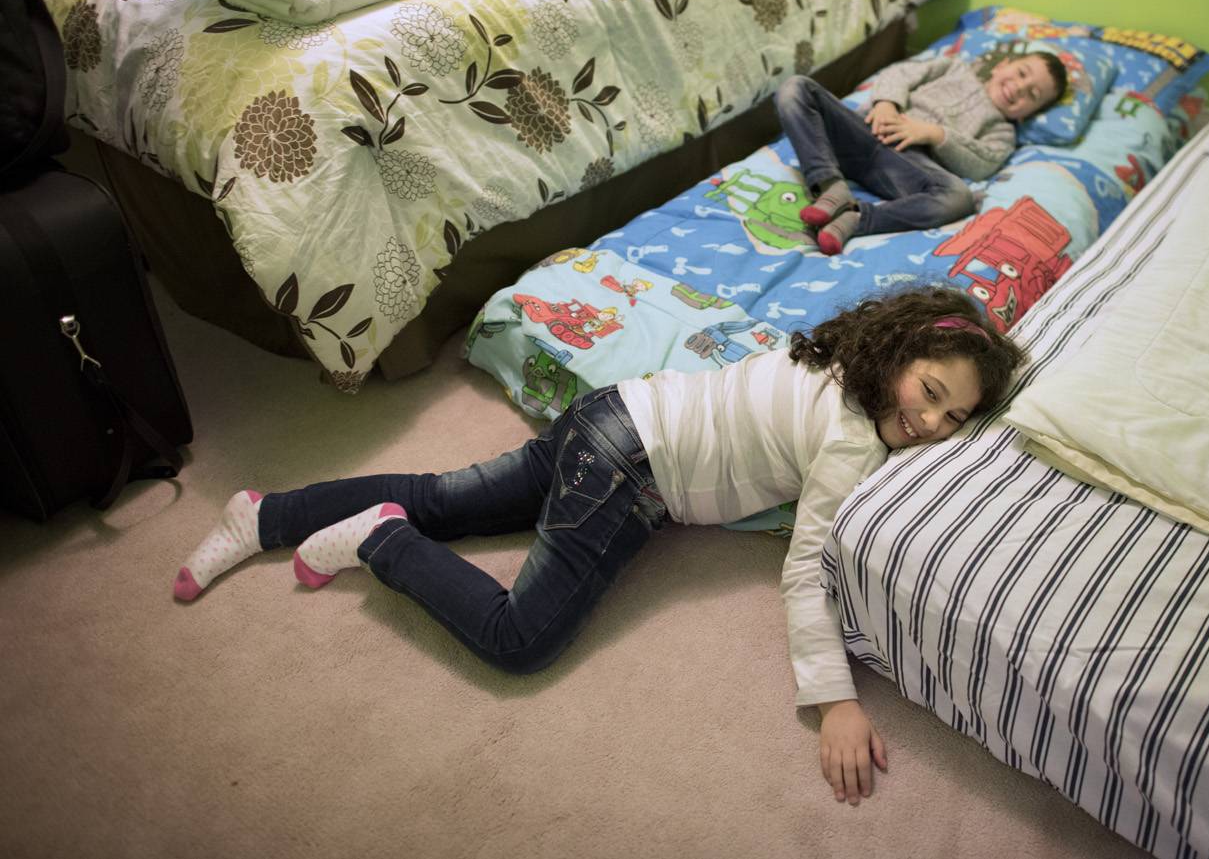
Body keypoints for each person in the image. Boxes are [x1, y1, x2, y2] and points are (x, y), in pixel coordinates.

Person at [172, 285, 1027, 806]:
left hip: (613, 412)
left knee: (448, 497)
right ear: (901, 352)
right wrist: (833, 698)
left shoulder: (836, 355)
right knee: (519, 636)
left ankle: (264, 513)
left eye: (954, 417)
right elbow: (806, 568)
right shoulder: (849, 440)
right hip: (629, 472)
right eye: (930, 391)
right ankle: (381, 540)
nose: (930, 422)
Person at [775, 51, 1067, 255]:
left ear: (1030, 114)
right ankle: (830, 185)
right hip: (864, 131)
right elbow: (900, 73)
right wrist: (887, 103)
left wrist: (935, 134)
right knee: (795, 88)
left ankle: (856, 219)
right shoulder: (953, 68)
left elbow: (981, 165)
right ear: (1002, 65)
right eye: (1021, 73)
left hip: (905, 167)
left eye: (1032, 94)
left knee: (959, 197)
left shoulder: (1003, 133)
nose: (1019, 87)